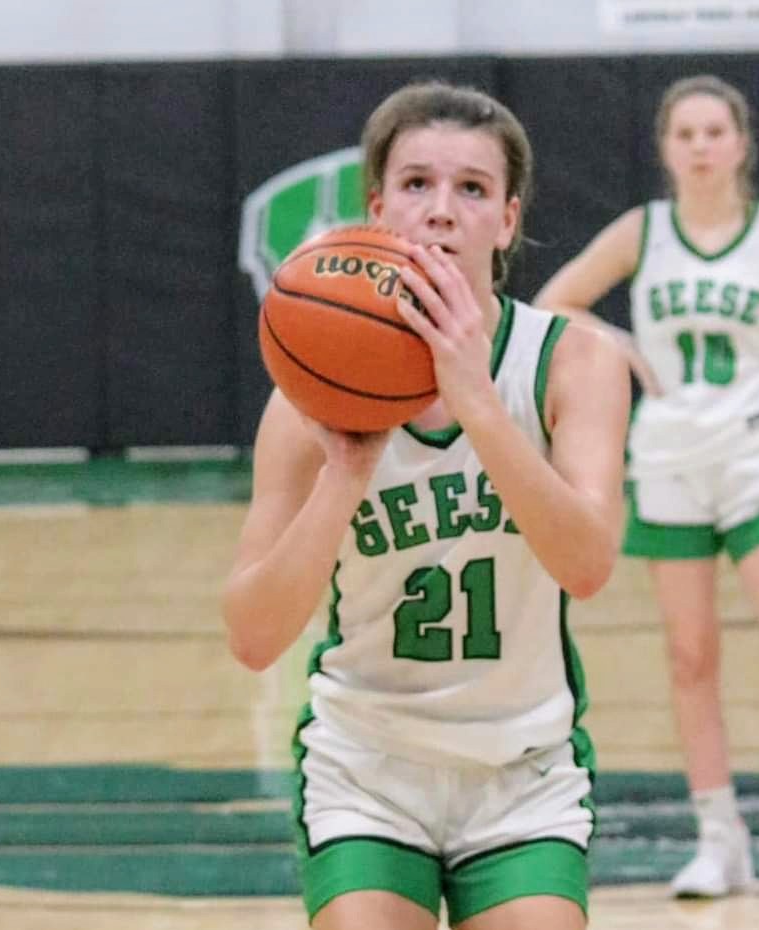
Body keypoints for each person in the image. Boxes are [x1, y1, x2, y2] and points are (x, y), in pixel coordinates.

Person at [222, 81, 630, 930]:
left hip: (522, 767)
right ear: (377, 210)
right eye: (417, 184)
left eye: (472, 188)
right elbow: (254, 637)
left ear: (507, 221)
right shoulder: (306, 396)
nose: (442, 209)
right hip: (368, 767)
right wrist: (344, 473)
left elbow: (588, 566)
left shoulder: (573, 363)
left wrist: (478, 405)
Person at [534, 74, 759, 903]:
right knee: (690, 657)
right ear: (665, 149)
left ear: (741, 143)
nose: (701, 146)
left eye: (714, 132)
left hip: (754, 453)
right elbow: (556, 304)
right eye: (685, 134)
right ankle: (719, 839)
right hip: (668, 459)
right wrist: (625, 348)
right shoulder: (644, 230)